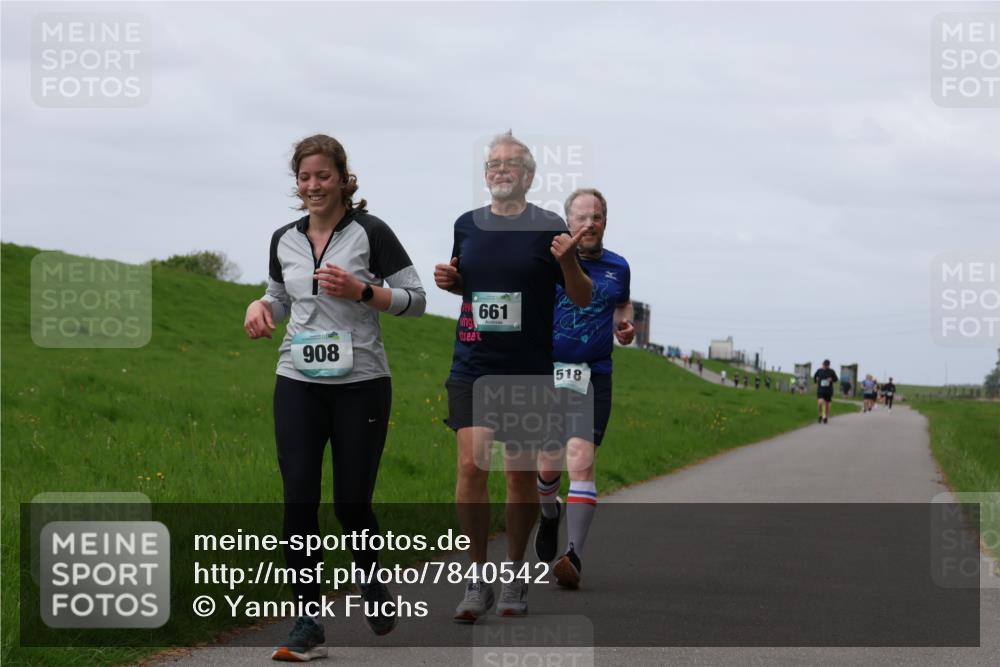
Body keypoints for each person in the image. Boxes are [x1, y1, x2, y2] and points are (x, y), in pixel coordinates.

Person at [244, 134, 426, 662]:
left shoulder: (372, 232)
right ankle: (307, 621)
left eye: (323, 175)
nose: (313, 185)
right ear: (296, 184)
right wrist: (261, 308)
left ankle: (370, 581)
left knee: (351, 503)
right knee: (299, 499)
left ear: (343, 178)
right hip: (297, 380)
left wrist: (363, 291)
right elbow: (280, 297)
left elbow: (415, 300)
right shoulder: (284, 238)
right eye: (304, 177)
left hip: (362, 383)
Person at [435, 132, 591, 621]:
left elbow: (582, 296)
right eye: (492, 164)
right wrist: (453, 282)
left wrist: (567, 261)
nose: (500, 170)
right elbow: (471, 283)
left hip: (525, 370)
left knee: (519, 479)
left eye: (511, 164)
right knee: (470, 468)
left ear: (528, 176)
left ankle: (515, 577)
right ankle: (476, 578)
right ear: (486, 174)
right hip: (474, 363)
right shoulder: (467, 225)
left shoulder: (549, 228)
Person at [534, 188, 633, 589]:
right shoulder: (548, 258)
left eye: (596, 217)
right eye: (581, 218)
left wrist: (625, 327)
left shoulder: (618, 267)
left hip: (594, 373)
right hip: (548, 370)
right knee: (546, 464)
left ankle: (572, 555)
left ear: (605, 222)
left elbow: (622, 306)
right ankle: (548, 513)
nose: (589, 224)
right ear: (567, 222)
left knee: (582, 457)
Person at [813, 360, 837, 424]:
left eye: (827, 365)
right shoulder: (819, 370)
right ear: (822, 364)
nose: (825, 366)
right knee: (820, 403)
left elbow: (836, 379)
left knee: (827, 405)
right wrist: (816, 382)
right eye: (824, 365)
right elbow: (815, 377)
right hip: (820, 389)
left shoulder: (832, 371)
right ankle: (820, 415)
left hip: (828, 390)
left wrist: (831, 379)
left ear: (829, 365)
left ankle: (826, 417)